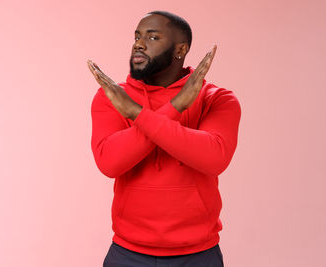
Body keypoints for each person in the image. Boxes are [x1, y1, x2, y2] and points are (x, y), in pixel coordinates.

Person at [87, 10, 241, 267]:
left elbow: (214, 158)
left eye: (153, 37)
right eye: (137, 36)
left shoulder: (217, 98)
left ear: (180, 49)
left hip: (198, 255)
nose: (139, 43)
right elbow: (110, 163)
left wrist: (136, 114)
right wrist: (176, 107)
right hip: (127, 254)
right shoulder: (113, 96)